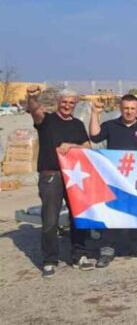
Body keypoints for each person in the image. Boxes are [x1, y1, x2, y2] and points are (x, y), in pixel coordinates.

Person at [26, 87, 94, 278]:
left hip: (75, 176)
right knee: (50, 220)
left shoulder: (78, 124)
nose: (67, 106)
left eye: (71, 103)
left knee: (78, 217)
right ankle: (50, 260)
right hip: (51, 175)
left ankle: (79, 255)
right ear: (58, 102)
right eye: (64, 102)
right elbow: (35, 110)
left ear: (75, 104)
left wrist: (72, 146)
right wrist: (32, 97)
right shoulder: (46, 120)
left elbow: (87, 147)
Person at [89, 94, 137, 267]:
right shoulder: (111, 126)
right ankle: (107, 250)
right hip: (114, 180)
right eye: (126, 108)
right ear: (120, 108)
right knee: (111, 213)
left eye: (132, 108)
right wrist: (95, 114)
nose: (129, 112)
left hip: (135, 182)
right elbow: (95, 136)